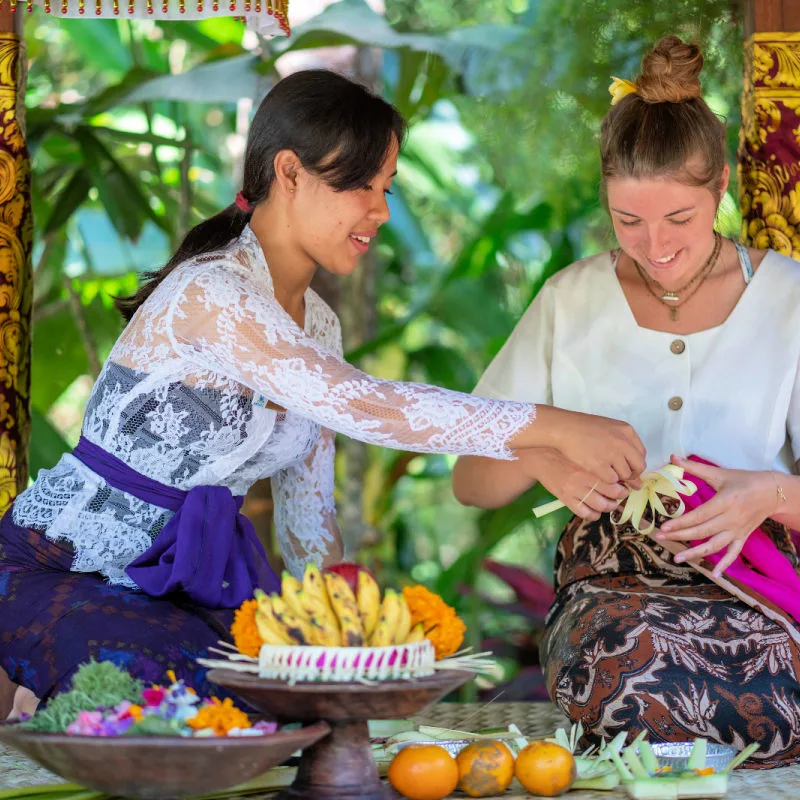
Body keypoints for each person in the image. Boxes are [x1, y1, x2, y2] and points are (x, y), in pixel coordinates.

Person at [0, 69, 645, 720]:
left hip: (181, 595)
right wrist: (553, 426)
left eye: (386, 187)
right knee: (198, 709)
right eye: (361, 185)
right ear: (289, 173)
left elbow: (308, 523)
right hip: (61, 571)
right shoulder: (212, 292)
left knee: (300, 699)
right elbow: (367, 406)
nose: (382, 211)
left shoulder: (320, 326)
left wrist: (339, 637)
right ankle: (32, 692)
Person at [452, 36, 800, 767]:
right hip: (610, 595)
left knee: (780, 703)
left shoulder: (789, 299)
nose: (655, 246)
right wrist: (549, 459)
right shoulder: (569, 299)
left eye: (679, 218)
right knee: (630, 691)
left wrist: (763, 494)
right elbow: (471, 479)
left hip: (753, 587)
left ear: (723, 185)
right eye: (627, 220)